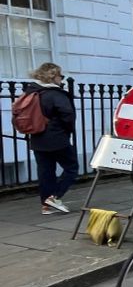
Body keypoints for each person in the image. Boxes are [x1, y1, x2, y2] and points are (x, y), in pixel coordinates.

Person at [24, 63, 79, 215]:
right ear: (52, 76)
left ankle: (46, 206)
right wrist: (67, 131)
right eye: (60, 76)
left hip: (37, 138)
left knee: (45, 172)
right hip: (56, 137)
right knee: (72, 168)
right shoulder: (55, 94)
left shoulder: (32, 92)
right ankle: (54, 197)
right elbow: (68, 115)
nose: (61, 79)